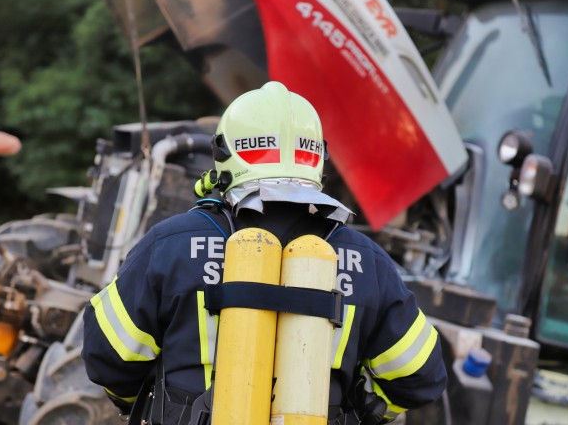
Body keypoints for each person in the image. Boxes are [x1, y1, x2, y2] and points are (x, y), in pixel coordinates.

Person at [82, 81, 447, 424]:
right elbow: (420, 376)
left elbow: (109, 354)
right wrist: (362, 409)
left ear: (225, 154)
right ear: (317, 157)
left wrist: (145, 402)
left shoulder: (170, 245)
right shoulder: (368, 261)